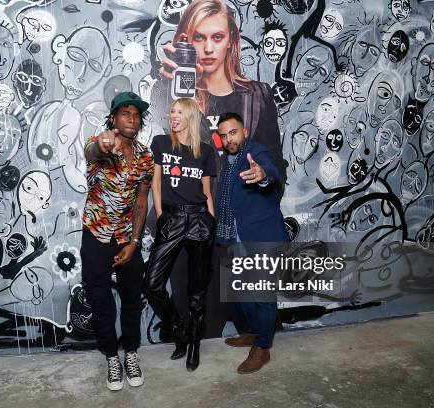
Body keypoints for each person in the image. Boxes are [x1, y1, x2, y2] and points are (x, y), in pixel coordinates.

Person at [152, 0, 286, 194]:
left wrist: (264, 177)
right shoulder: (172, 93)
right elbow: (163, 150)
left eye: (217, 37)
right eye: (198, 37)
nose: (208, 48)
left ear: (231, 39)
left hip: (238, 216)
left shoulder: (257, 96)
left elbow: (276, 168)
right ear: (186, 40)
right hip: (190, 216)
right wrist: (170, 86)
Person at [81, 92, 154, 391]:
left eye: (136, 115)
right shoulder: (101, 144)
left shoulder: (145, 156)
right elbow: (90, 152)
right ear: (113, 117)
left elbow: (141, 201)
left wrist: (134, 242)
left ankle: (131, 352)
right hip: (97, 234)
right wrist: (100, 144)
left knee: (132, 299)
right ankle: (112, 356)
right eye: (125, 113)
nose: (132, 119)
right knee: (100, 299)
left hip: (127, 237)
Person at [145, 98, 217, 371]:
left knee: (197, 291)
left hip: (200, 219)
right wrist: (162, 215)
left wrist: (211, 223)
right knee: (152, 284)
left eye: (178, 112)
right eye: (171, 111)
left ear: (190, 116)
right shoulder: (161, 144)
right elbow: (155, 183)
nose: (173, 115)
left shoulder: (206, 152)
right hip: (172, 219)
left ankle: (194, 344)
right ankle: (180, 332)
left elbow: (207, 191)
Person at [216, 112, 289, 374]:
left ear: (244, 131)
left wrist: (263, 175)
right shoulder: (228, 161)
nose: (228, 139)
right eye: (223, 135)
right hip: (236, 237)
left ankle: (263, 347)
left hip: (261, 236)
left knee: (263, 296)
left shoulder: (255, 151)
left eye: (233, 132)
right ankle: (253, 332)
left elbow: (269, 172)